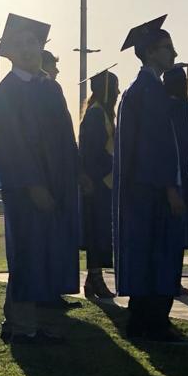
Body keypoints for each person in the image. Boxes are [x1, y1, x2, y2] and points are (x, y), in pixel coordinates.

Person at [0, 13, 80, 344]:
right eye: (21, 44)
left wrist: (73, 177)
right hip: (27, 190)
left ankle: (20, 322)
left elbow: (66, 140)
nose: (29, 49)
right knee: (26, 253)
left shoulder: (50, 88)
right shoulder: (4, 94)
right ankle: (24, 327)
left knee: (42, 252)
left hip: (57, 187)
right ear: (8, 51)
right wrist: (33, 184)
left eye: (34, 42)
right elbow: (10, 147)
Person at [113, 15, 186, 341]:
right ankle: (151, 321)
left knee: (147, 254)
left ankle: (146, 320)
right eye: (167, 47)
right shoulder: (148, 91)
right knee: (157, 253)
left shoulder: (140, 90)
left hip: (142, 188)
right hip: (152, 190)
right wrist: (169, 186)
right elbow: (153, 147)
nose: (173, 53)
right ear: (151, 52)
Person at [78, 65, 119, 300]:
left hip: (104, 182)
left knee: (100, 233)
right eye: (114, 88)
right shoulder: (96, 114)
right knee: (96, 233)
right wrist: (110, 168)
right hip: (99, 183)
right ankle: (95, 279)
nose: (118, 92)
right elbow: (92, 151)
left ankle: (93, 279)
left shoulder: (100, 113)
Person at [163, 63, 188, 294]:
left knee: (166, 232)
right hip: (182, 176)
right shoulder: (186, 109)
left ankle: (168, 278)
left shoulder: (162, 106)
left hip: (166, 175)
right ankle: (173, 279)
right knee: (176, 232)